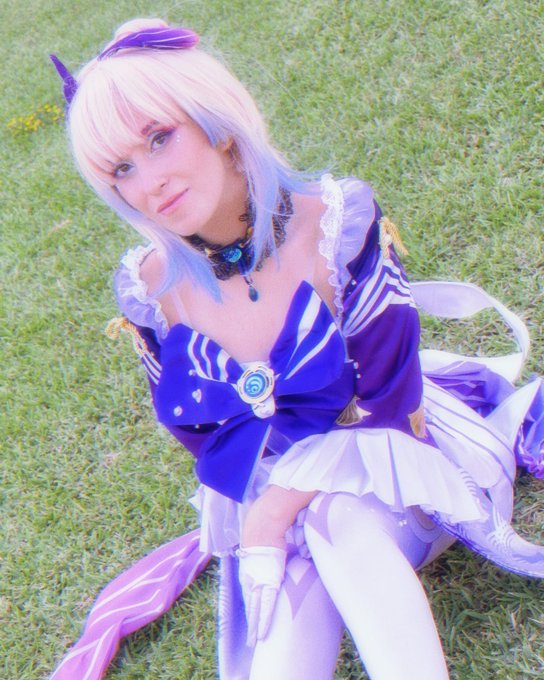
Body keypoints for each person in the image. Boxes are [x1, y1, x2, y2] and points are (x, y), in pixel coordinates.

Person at [50, 18, 544, 680]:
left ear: (217, 123)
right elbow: (211, 444)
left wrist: (273, 511)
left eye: (160, 138)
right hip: (281, 518)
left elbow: (390, 406)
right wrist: (270, 520)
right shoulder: (150, 291)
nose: (150, 183)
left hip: (402, 477)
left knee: (338, 518)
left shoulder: (337, 224)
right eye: (121, 169)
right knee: (287, 600)